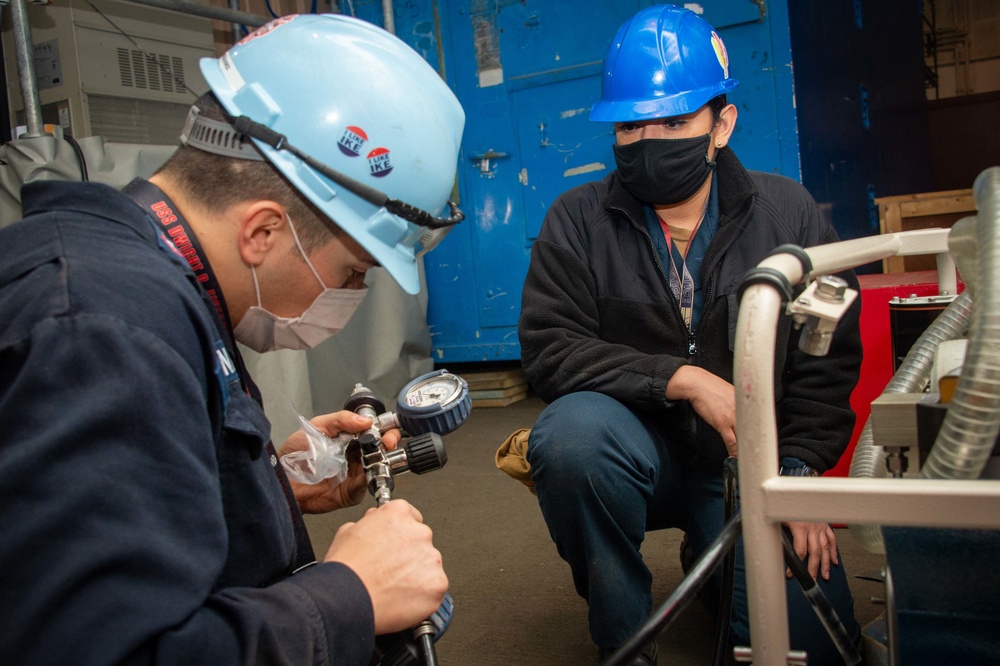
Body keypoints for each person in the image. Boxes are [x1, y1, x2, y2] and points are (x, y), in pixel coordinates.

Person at [0, 14, 464, 665]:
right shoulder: (103, 334)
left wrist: (269, 485)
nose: (350, 300)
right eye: (351, 273)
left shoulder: (143, 281)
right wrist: (349, 595)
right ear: (263, 233)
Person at [518, 5, 863, 665]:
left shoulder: (786, 213)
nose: (652, 140)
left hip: (749, 466)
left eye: (676, 121)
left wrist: (797, 476)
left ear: (721, 124)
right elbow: (550, 351)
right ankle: (623, 643)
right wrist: (680, 378)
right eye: (631, 125)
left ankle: (715, 555)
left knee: (807, 644)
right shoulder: (577, 220)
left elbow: (829, 366)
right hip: (631, 455)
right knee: (570, 438)